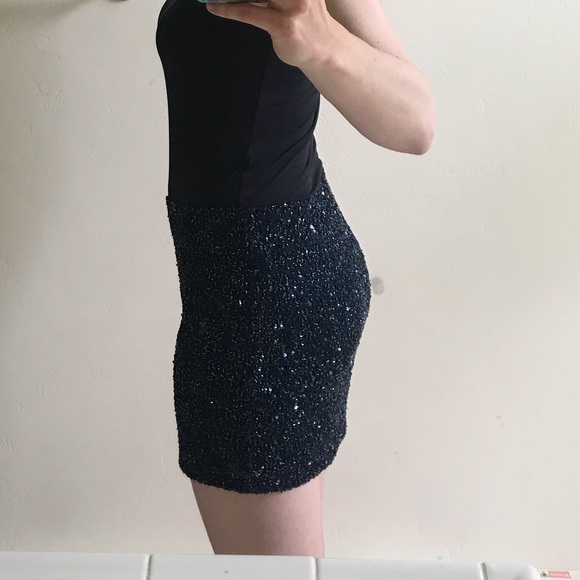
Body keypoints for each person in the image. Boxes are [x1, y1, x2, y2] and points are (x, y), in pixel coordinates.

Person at [155, 0, 435, 558]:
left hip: (270, 301)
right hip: (238, 282)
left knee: (270, 568)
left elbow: (417, 123)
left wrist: (319, 39)